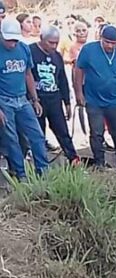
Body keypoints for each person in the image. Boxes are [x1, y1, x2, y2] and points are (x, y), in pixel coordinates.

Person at [74, 24, 116, 169]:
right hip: (93, 100)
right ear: (101, 38)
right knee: (96, 132)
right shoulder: (88, 50)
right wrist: (78, 93)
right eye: (107, 42)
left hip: (115, 100)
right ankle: (99, 161)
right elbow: (78, 70)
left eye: (113, 43)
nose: (110, 46)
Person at [0, 18, 48, 179]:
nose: (12, 43)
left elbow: (28, 74)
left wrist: (35, 99)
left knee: (37, 135)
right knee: (11, 138)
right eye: (9, 40)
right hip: (4, 100)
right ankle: (21, 174)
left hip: (22, 99)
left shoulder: (24, 49)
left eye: (14, 40)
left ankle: (43, 170)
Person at [30, 25, 80, 165]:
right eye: (50, 42)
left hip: (54, 99)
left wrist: (68, 102)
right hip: (37, 99)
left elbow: (62, 79)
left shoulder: (57, 55)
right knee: (38, 133)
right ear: (41, 39)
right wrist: (32, 99)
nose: (54, 46)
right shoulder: (30, 51)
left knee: (62, 130)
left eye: (56, 43)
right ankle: (40, 164)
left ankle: (74, 159)